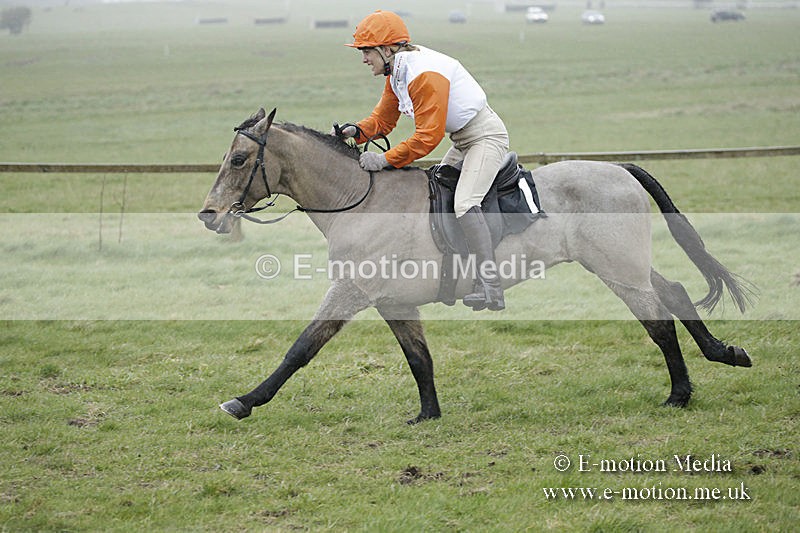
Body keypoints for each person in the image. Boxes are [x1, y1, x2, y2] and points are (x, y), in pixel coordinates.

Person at [334, 10, 509, 311]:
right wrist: (358, 131)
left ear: (386, 49)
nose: (363, 58)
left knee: (465, 204)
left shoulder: (423, 74)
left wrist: (385, 160)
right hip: (462, 140)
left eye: (366, 51)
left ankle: (491, 285)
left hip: (484, 139)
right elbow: (384, 119)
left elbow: (428, 137)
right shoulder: (397, 71)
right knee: (434, 194)